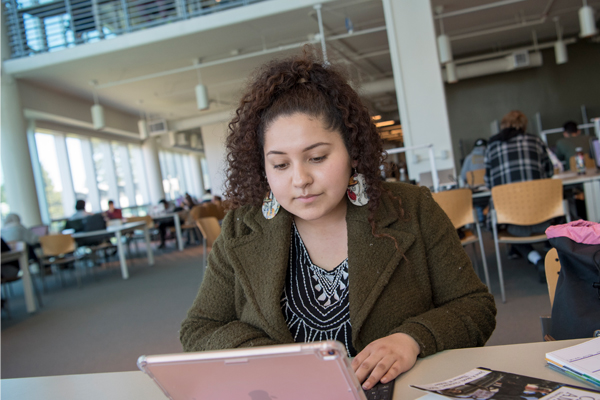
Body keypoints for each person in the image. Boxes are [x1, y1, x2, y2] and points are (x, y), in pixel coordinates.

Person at [180, 51, 496, 390]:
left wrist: (412, 339)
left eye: (316, 157)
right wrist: (266, 357)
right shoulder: (241, 228)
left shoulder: (410, 208)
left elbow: (475, 307)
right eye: (280, 165)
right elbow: (199, 329)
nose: (299, 179)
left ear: (353, 151)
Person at [484, 110, 554, 282]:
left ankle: (536, 259)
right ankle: (556, 257)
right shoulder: (536, 140)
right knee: (569, 211)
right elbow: (549, 172)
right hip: (543, 212)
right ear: (523, 126)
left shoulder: (492, 146)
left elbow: (488, 182)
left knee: (495, 225)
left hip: (510, 217)